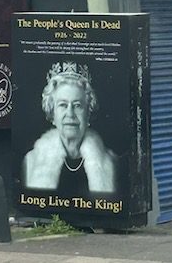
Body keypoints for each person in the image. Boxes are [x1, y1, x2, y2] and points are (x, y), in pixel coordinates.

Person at [22, 61, 116, 195]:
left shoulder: (111, 163)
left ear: (88, 112)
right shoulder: (31, 162)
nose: (70, 114)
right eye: (63, 105)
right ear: (52, 113)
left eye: (77, 105)